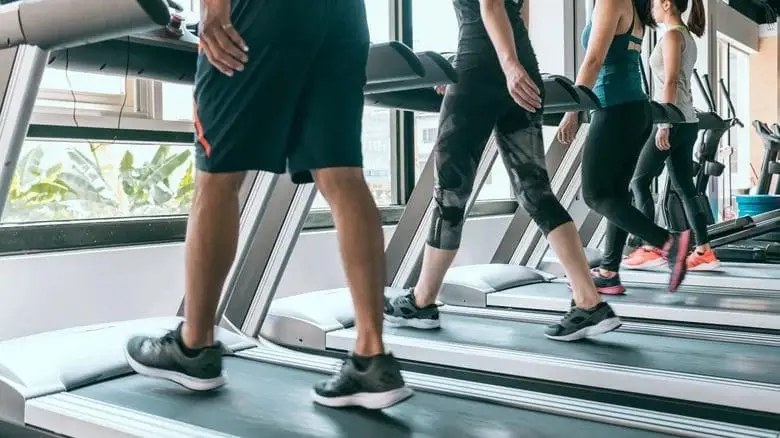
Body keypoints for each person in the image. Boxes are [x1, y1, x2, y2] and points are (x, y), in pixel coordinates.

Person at [123, 0, 413, 410]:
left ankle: (195, 347)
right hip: (344, 15)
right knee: (343, 176)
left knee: (217, 176)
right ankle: (372, 358)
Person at [384, 0, 622, 342]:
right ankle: (589, 300)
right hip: (520, 67)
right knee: (536, 191)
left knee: (450, 193)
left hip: (483, 70)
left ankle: (422, 301)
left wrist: (499, 65)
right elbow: (507, 14)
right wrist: (503, 64)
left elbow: (490, 5)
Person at [557, 0, 690, 295]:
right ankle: (609, 272)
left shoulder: (611, 2)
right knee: (617, 195)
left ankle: (668, 242)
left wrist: (573, 110)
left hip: (613, 107)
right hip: (635, 109)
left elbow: (593, 59)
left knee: (594, 194)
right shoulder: (633, 7)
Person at [621, 0, 719, 272]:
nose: (651, 8)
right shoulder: (684, 34)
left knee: (639, 181)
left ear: (666, 3)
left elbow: (672, 78)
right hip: (686, 121)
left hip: (673, 120)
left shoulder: (674, 35)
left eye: (654, 3)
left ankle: (650, 246)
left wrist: (664, 123)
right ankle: (703, 250)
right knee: (684, 186)